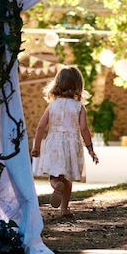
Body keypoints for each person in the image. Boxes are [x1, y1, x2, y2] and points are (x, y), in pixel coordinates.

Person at [31, 66, 99, 218]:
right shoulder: (79, 107)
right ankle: (64, 209)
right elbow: (84, 129)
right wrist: (90, 149)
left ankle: (56, 186)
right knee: (68, 178)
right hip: (72, 143)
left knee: (55, 175)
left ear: (57, 84)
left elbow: (41, 126)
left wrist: (36, 147)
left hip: (54, 142)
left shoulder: (52, 105)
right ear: (78, 86)